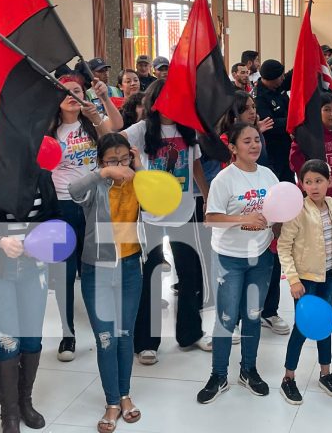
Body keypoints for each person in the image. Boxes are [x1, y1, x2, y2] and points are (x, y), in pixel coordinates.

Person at [123, 79, 212, 365]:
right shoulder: (141, 130)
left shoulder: (187, 130)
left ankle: (190, 333)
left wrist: (207, 195)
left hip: (184, 213)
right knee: (150, 275)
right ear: (154, 102)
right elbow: (114, 142)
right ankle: (146, 342)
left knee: (190, 274)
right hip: (150, 214)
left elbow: (196, 163)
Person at [68, 133, 146, 432]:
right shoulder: (96, 184)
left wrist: (140, 167)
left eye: (124, 159)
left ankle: (125, 396)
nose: (120, 165)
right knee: (105, 338)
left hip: (130, 266)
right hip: (96, 269)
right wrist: (104, 173)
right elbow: (73, 190)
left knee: (125, 335)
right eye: (112, 160)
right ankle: (112, 402)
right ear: (101, 161)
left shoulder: (138, 181)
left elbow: (160, 203)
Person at [197, 121, 279, 404]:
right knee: (227, 318)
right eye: (247, 141)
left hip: (261, 257)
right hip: (230, 258)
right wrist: (246, 219)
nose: (254, 145)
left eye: (257, 139)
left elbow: (277, 212)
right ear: (232, 147)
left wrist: (276, 231)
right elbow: (211, 218)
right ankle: (218, 374)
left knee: (253, 316)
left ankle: (248, 370)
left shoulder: (269, 176)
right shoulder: (224, 179)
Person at [0, 167, 60, 432]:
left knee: (33, 338)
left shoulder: (42, 177)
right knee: (8, 341)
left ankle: (25, 402)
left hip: (35, 268)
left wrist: (45, 242)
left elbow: (55, 221)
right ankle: (9, 411)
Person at [48, 75, 123, 362]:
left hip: (95, 205)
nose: (72, 96)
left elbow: (114, 135)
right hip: (62, 206)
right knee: (64, 273)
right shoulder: (49, 130)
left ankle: (101, 327)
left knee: (95, 269)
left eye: (77, 91)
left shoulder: (91, 123)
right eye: (66, 92)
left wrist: (101, 103)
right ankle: (68, 334)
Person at [277, 159, 332, 404]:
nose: (313, 186)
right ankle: (288, 378)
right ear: (301, 184)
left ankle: (325, 373)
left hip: (328, 277)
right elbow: (284, 246)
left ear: (330, 182)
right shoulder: (298, 211)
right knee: (302, 328)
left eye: (319, 181)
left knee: (325, 325)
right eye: (308, 182)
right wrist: (293, 280)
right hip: (305, 280)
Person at [289, 93, 332, 316]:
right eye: (327, 109)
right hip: (313, 205)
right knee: (315, 252)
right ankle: (311, 296)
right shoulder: (308, 137)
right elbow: (296, 163)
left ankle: (331, 296)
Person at [253, 59, 292, 334]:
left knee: (274, 245)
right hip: (262, 178)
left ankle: (270, 309)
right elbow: (270, 125)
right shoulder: (261, 99)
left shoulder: (281, 87)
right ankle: (245, 312)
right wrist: (289, 122)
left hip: (282, 170)